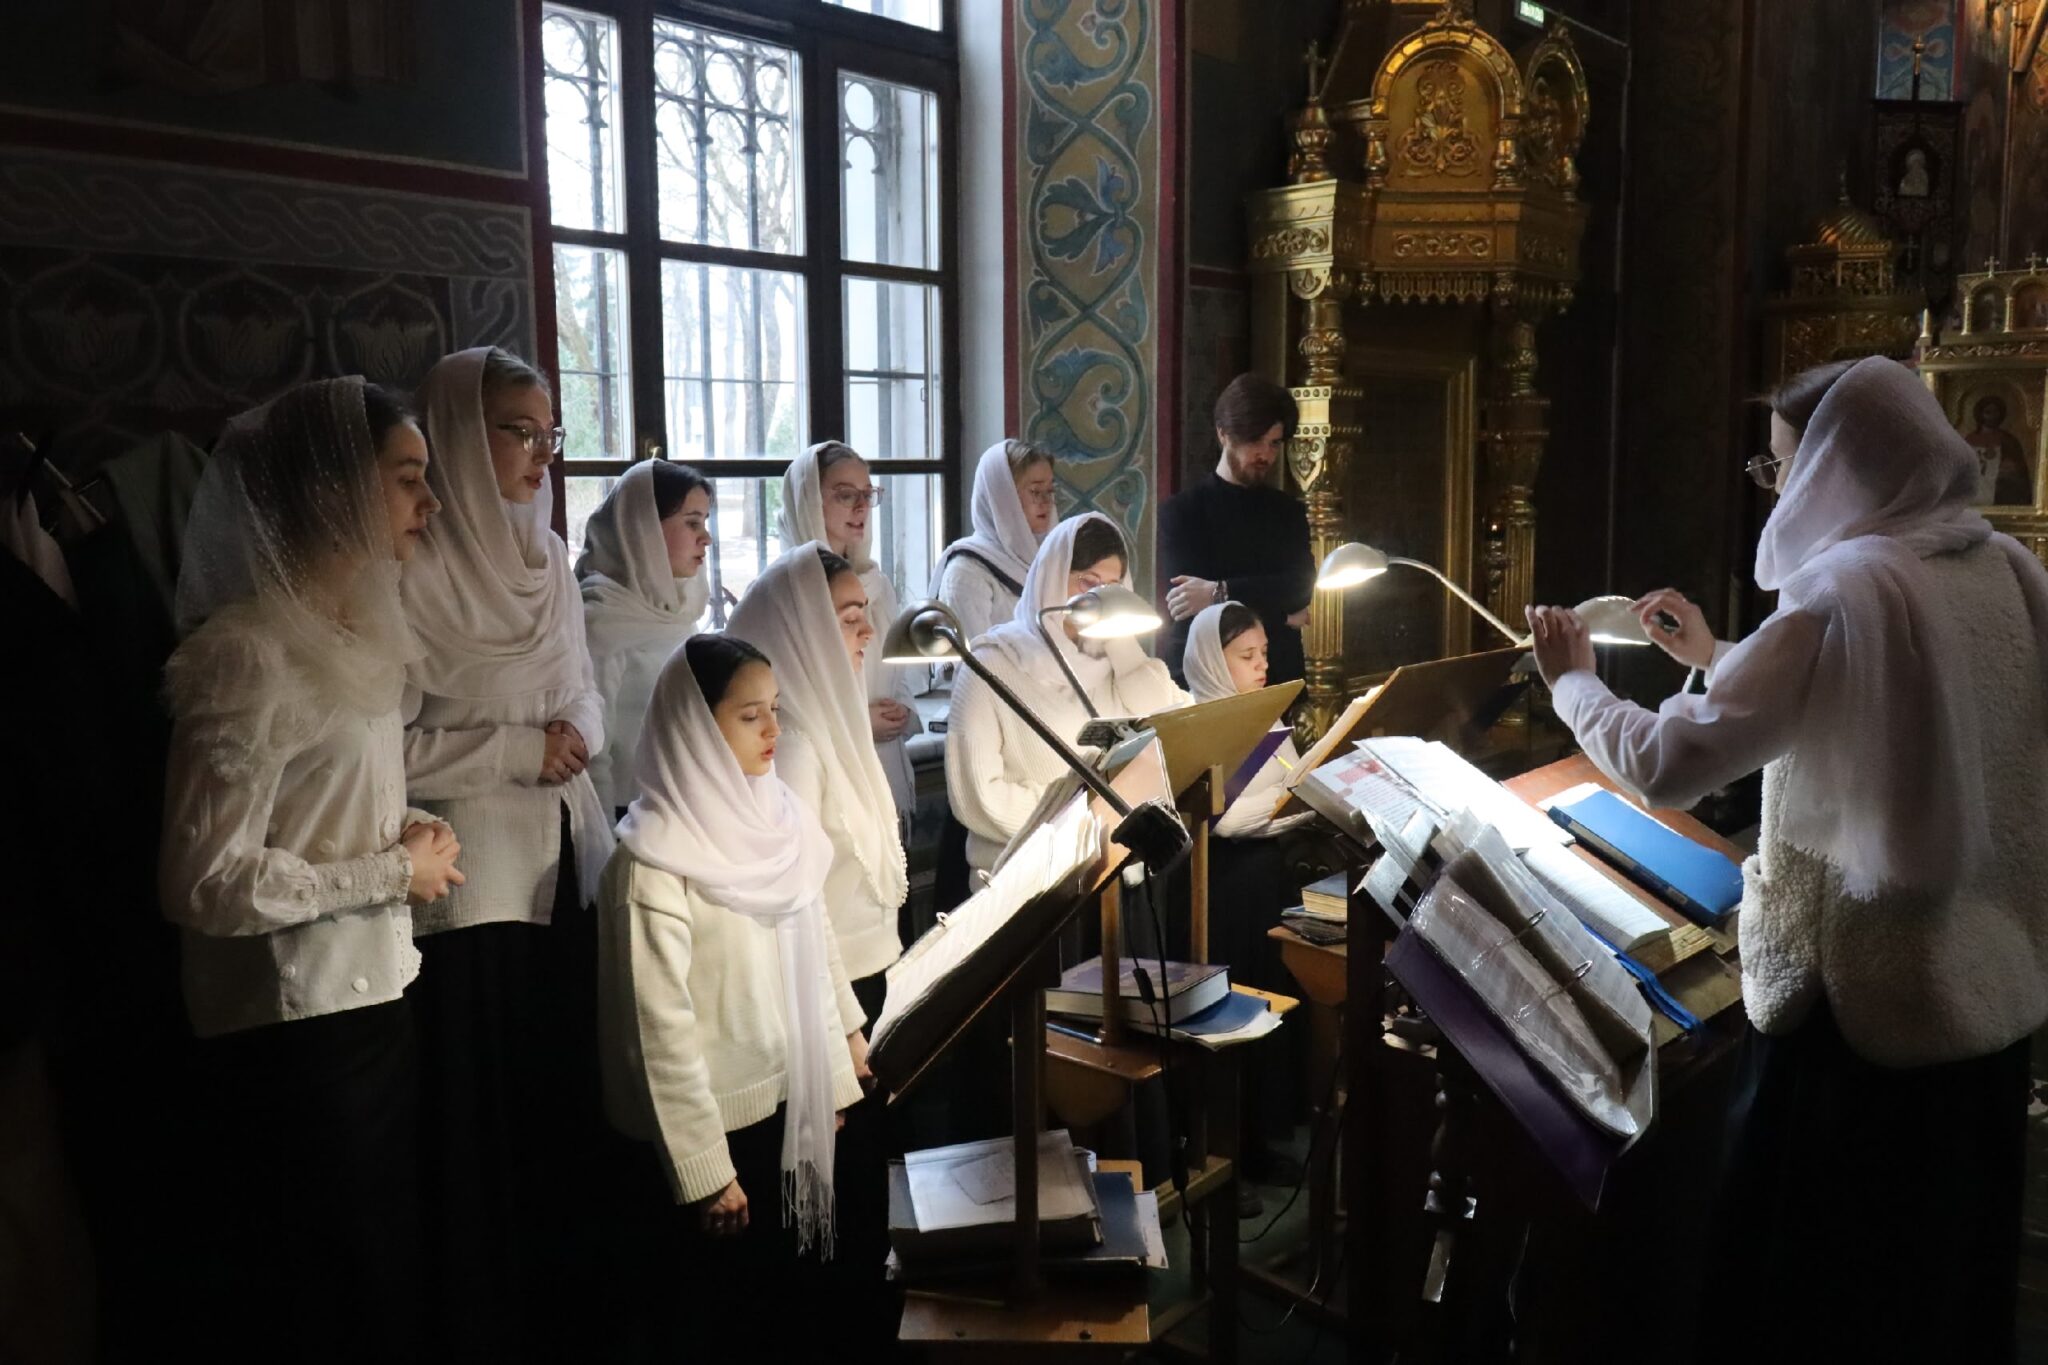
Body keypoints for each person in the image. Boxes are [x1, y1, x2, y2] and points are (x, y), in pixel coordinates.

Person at [1524, 355, 2048, 1362]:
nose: (1776, 490)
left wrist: (1572, 682)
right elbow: (1877, 700)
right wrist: (1716, 658)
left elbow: (1666, 764)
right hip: (1981, 990)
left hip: (1858, 1012)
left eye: (1781, 467)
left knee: (1823, 1289)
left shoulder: (1840, 591)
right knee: (1943, 1279)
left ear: (1838, 468)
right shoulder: (2001, 569)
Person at [160, 378, 460, 1364]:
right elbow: (201, 880)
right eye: (407, 478)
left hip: (378, 1005)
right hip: (296, 1039)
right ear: (333, 488)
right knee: (325, 1291)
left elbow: (324, 808)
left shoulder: (357, 635)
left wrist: (404, 827)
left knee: (384, 1274)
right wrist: (389, 872)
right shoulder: (247, 654)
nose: (431, 502)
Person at [399, 346, 615, 1360]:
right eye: (518, 432)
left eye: (548, 434)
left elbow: (584, 686)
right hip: (467, 884)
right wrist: (514, 750)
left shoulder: (548, 556)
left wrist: (575, 731)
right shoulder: (412, 565)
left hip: (558, 858)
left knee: (557, 1099)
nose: (542, 455)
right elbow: (387, 744)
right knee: (480, 1117)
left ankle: (562, 1300)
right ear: (455, 433)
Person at [597, 634, 865, 1360]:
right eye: (750, 716)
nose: (774, 729)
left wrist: (835, 1064)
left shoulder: (779, 819)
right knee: (717, 1322)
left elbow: (816, 944)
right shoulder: (650, 865)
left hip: (785, 1106)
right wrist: (705, 1171)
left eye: (775, 709)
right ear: (695, 727)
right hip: (711, 1138)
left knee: (789, 1312)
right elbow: (656, 1034)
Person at [728, 543, 908, 1345]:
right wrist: (836, 1033)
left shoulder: (834, 720)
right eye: (847, 617)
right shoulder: (793, 740)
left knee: (867, 1188)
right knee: (842, 1197)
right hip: (830, 1000)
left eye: (865, 614)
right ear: (801, 627)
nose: (866, 631)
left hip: (864, 985)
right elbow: (799, 902)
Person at [946, 512, 1187, 878]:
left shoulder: (1117, 663)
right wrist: (1082, 819)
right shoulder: (991, 665)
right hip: (1024, 878)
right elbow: (978, 798)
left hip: (1116, 872)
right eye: (1087, 583)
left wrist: (1121, 643)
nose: (1101, 598)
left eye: (1113, 587)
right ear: (1053, 579)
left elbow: (1172, 722)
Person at [1180, 602, 1331, 1185]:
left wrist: (1293, 801)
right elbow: (1226, 821)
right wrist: (1293, 807)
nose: (1262, 665)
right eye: (1247, 656)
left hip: (1267, 882)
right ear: (1212, 661)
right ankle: (1222, 1153)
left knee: (1268, 1005)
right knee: (1226, 1014)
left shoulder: (1266, 718)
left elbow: (1286, 790)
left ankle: (1260, 1141)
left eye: (1264, 652)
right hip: (1219, 890)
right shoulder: (1200, 721)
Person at [781, 440, 920, 816]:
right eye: (845, 495)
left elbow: (896, 670)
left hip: (884, 767)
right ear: (810, 500)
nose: (861, 507)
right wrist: (859, 723)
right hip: (823, 779)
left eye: (867, 494)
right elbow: (784, 701)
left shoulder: (878, 584)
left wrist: (902, 711)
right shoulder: (785, 591)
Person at [1158, 373, 1315, 689]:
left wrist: (1219, 592)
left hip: (1279, 677)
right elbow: (1189, 611)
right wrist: (1283, 617)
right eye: (1255, 441)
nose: (1266, 455)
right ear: (1223, 433)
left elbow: (1300, 588)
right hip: (1204, 683)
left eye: (1274, 443)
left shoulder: (1288, 512)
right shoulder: (1182, 512)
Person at [578, 459, 714, 815]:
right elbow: (593, 755)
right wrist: (603, 839)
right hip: (626, 815)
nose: (706, 538)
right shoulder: (601, 622)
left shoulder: (679, 612)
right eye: (692, 523)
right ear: (644, 529)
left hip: (683, 806)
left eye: (705, 522)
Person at [930, 438, 1058, 643]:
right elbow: (976, 658)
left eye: (1050, 491)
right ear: (1003, 498)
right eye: (1035, 491)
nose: (1046, 502)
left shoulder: (1050, 563)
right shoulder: (966, 575)